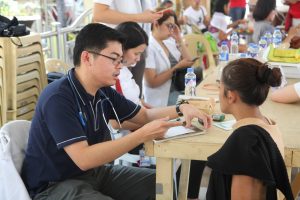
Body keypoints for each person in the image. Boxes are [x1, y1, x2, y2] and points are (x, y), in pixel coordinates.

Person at [21, 23, 212, 200]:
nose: (119, 66)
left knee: (162, 183)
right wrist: (141, 135)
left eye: (120, 59)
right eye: (113, 59)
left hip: (94, 173)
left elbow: (143, 115)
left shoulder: (102, 91)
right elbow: (83, 158)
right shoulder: (58, 98)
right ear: (87, 57)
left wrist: (181, 108)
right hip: (55, 185)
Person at [202, 58, 293, 199]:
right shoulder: (267, 123)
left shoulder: (247, 142)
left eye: (220, 87)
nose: (218, 91)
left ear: (231, 96)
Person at [92, 0, 162, 98]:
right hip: (121, 50)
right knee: (121, 101)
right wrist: (141, 17)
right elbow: (99, 14)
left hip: (137, 47)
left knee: (136, 98)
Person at [143, 10, 195, 107]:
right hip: (162, 98)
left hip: (178, 90)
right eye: (169, 26)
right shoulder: (148, 47)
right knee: (193, 106)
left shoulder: (168, 42)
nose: (171, 30)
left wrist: (179, 39)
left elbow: (189, 62)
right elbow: (151, 82)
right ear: (156, 24)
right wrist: (176, 68)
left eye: (173, 26)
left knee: (200, 100)